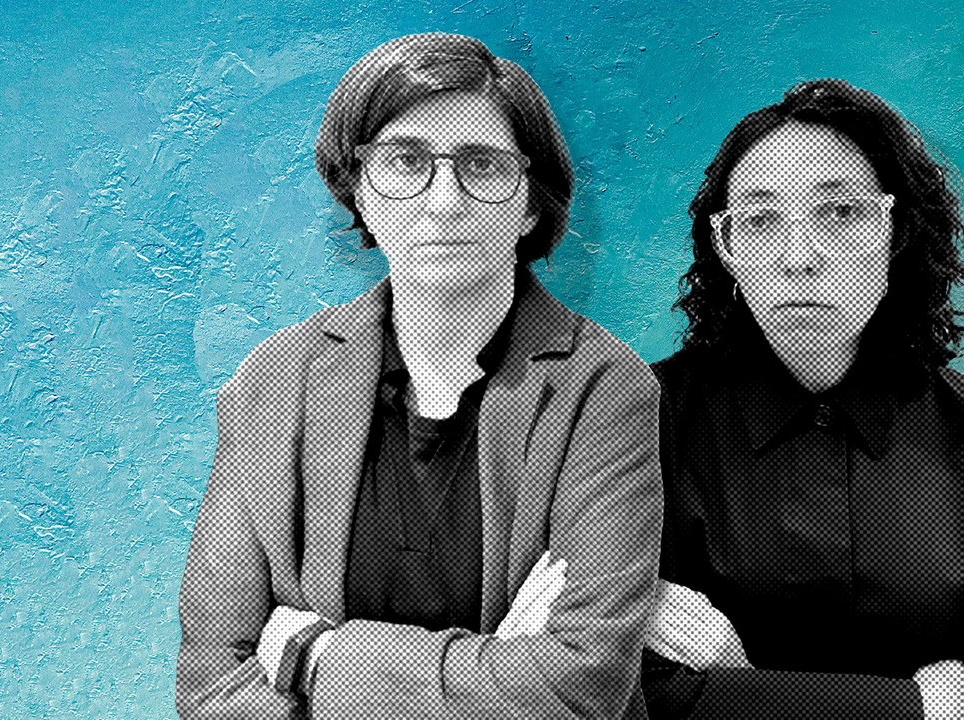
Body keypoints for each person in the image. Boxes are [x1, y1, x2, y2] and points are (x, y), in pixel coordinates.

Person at [176, 33, 662, 719]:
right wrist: (492, 673)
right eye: (406, 161)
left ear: (529, 205)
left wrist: (315, 657)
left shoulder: (604, 386)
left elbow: (577, 686)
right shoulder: (274, 381)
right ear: (360, 193)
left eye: (482, 165)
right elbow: (211, 689)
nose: (444, 200)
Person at [641, 78, 964, 719]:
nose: (799, 257)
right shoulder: (646, 417)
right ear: (725, 246)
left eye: (840, 213)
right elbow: (634, 696)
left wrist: (742, 686)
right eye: (760, 219)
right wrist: (917, 706)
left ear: (894, 231)